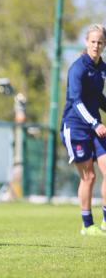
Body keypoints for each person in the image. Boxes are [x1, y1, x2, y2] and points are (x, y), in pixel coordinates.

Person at [60, 24, 106, 236]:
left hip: (94, 127)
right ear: (87, 43)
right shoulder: (77, 68)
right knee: (89, 177)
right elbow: (76, 102)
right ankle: (87, 225)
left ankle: (105, 223)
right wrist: (95, 124)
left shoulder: (101, 68)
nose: (96, 45)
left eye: (100, 42)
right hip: (76, 127)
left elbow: (98, 97)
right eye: (93, 41)